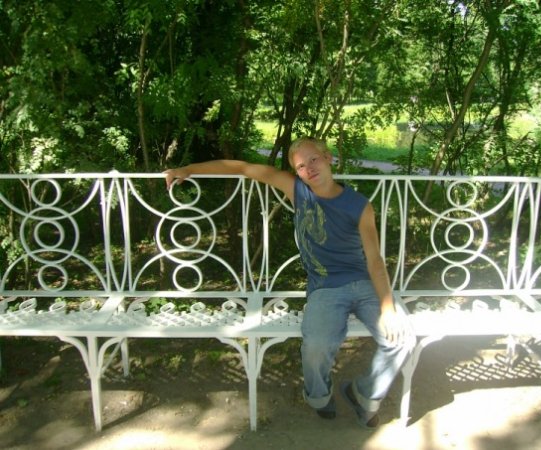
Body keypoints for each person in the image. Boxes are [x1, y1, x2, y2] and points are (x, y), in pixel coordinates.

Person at [164, 137, 414, 429]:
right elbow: (243, 168)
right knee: (317, 345)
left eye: (314, 160)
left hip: (365, 283)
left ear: (328, 157)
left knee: (402, 338)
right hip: (325, 288)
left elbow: (375, 260)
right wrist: (188, 169)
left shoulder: (359, 206)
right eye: (300, 166)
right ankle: (319, 396)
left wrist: (387, 309)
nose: (309, 169)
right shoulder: (298, 191)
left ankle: (364, 394)